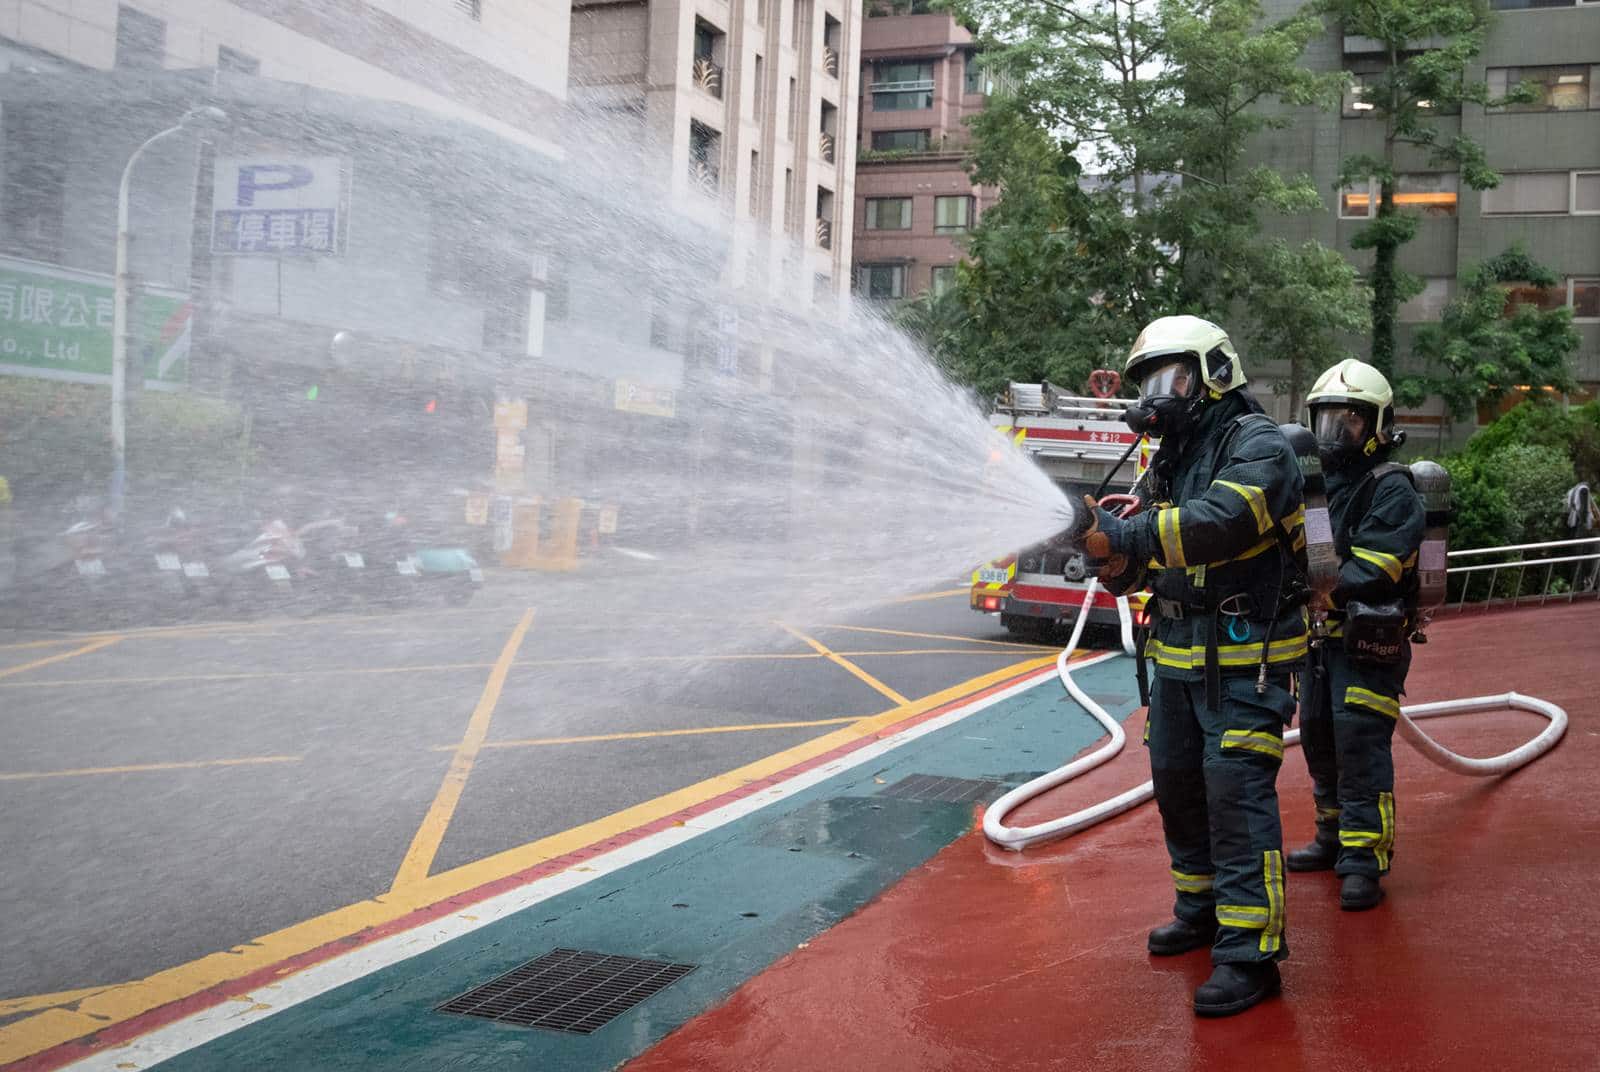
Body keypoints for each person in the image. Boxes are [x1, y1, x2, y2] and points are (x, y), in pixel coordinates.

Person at [1080, 316, 1307, 1017]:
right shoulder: (1168, 459)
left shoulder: (1258, 445)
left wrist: (1130, 534)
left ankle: (1251, 953)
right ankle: (1201, 909)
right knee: (1179, 789)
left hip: (1248, 662)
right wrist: (1108, 555)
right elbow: (1143, 551)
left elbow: (1220, 523)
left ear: (1213, 373)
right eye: (1148, 379)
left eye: (1170, 376)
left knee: (1236, 798)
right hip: (1175, 660)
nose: (1157, 394)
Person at [1286, 359, 1424, 911]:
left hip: (1368, 644)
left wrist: (1316, 587)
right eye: (1326, 421)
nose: (1336, 434)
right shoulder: (1314, 488)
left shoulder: (1392, 488)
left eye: (1350, 421)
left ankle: (1364, 860)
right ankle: (1331, 836)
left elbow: (1376, 565)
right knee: (1319, 736)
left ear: (1379, 427)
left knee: (1360, 745)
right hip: (1319, 641)